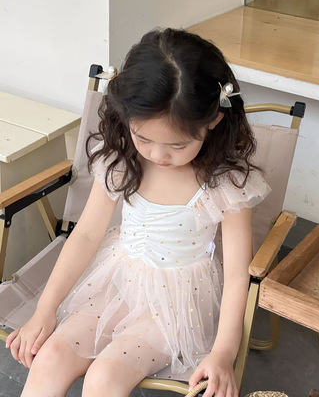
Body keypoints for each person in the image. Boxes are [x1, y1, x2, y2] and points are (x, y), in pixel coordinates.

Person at [6, 28, 270, 397]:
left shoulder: (225, 183)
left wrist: (223, 353)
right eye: (143, 138)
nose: (158, 155)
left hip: (179, 302)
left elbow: (238, 275)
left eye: (178, 144)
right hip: (117, 280)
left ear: (212, 121)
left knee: (104, 377)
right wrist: (44, 310)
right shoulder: (121, 161)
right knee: (50, 355)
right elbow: (86, 235)